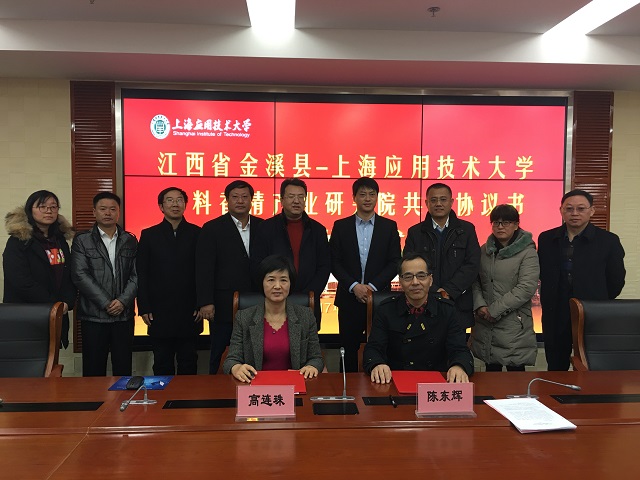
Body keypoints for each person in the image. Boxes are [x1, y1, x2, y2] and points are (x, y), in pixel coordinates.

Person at [538, 189, 625, 371]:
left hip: (592, 311)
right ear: (561, 210)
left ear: (591, 211)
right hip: (555, 310)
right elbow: (541, 273)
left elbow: (616, 280)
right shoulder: (546, 239)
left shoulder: (608, 241)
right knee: (556, 364)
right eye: (569, 209)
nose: (575, 213)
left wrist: (599, 300)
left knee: (591, 364)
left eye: (581, 208)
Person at [363, 252, 474, 384]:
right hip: (395, 381)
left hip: (435, 383)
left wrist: (459, 366)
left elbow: (460, 350)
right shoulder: (386, 309)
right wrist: (377, 364)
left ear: (430, 280)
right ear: (400, 281)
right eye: (408, 277)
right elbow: (373, 348)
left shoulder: (447, 310)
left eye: (421, 276)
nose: (415, 282)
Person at [330, 177, 401, 372]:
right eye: (362, 194)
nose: (367, 198)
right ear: (354, 197)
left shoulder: (389, 226)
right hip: (349, 298)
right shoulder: (341, 226)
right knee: (348, 349)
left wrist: (372, 288)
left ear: (377, 197)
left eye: (372, 194)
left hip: (379, 299)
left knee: (381, 347)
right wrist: (354, 286)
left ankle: (379, 383)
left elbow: (395, 261)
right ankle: (347, 386)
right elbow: (334, 261)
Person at [196, 180, 264, 374]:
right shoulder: (212, 228)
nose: (240, 201)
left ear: (251, 200)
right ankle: (216, 388)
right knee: (220, 352)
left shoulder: (263, 226)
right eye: (235, 197)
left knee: (255, 351)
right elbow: (204, 268)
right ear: (227, 200)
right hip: (223, 303)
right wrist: (206, 302)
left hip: (258, 301)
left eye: (244, 197)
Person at [223, 255, 324, 382]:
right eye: (271, 280)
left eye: (283, 280)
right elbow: (231, 360)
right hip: (256, 386)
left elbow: (316, 358)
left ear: (290, 283)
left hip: (294, 386)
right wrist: (236, 367)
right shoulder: (244, 317)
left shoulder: (305, 316)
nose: (277, 286)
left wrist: (312, 366)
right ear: (262, 283)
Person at [71, 192, 138, 377]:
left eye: (112, 209)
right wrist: (106, 303)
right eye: (103, 209)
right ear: (94, 212)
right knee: (93, 369)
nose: (108, 213)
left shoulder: (130, 240)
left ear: (119, 212)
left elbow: (137, 274)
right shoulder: (82, 240)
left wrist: (123, 301)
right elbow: (79, 275)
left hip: (123, 316)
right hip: (94, 316)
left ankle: (122, 397)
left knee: (123, 369)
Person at [136, 187, 202, 375]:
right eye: (170, 200)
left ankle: (187, 395)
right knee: (162, 363)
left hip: (190, 309)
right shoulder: (149, 235)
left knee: (189, 362)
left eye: (179, 200)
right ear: (161, 206)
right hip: (159, 310)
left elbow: (203, 272)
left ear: (185, 204)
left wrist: (201, 302)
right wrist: (144, 307)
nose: (175, 204)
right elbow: (142, 273)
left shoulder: (198, 233)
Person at [251, 178, 330, 329]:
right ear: (281, 200)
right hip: (273, 302)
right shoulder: (266, 228)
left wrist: (309, 295)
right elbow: (257, 264)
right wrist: (275, 291)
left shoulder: (318, 230)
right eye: (291, 196)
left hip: (307, 302)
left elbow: (324, 266)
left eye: (301, 197)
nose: (296, 201)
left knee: (307, 342)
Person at [3, 190, 77, 348]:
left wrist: (67, 302)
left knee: (51, 357)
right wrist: (53, 304)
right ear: (30, 210)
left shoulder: (60, 240)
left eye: (53, 207)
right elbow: (20, 281)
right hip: (27, 315)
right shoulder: (18, 241)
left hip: (55, 314)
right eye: (42, 206)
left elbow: (68, 274)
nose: (48, 211)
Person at [470, 205, 539, 371]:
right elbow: (475, 281)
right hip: (486, 322)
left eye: (506, 222)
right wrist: (480, 305)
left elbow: (526, 288)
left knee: (515, 376)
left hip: (513, 323)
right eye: (496, 222)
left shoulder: (527, 252)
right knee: (490, 374)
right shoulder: (484, 250)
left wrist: (494, 310)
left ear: (516, 225)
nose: (500, 227)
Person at [404, 182, 480, 329]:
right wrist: (434, 291)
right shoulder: (415, 232)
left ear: (451, 202)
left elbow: (472, 264)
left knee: (456, 342)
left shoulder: (466, 230)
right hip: (423, 302)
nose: (438, 203)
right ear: (426, 203)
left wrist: (448, 291)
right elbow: (409, 266)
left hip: (458, 302)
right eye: (433, 200)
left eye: (443, 199)